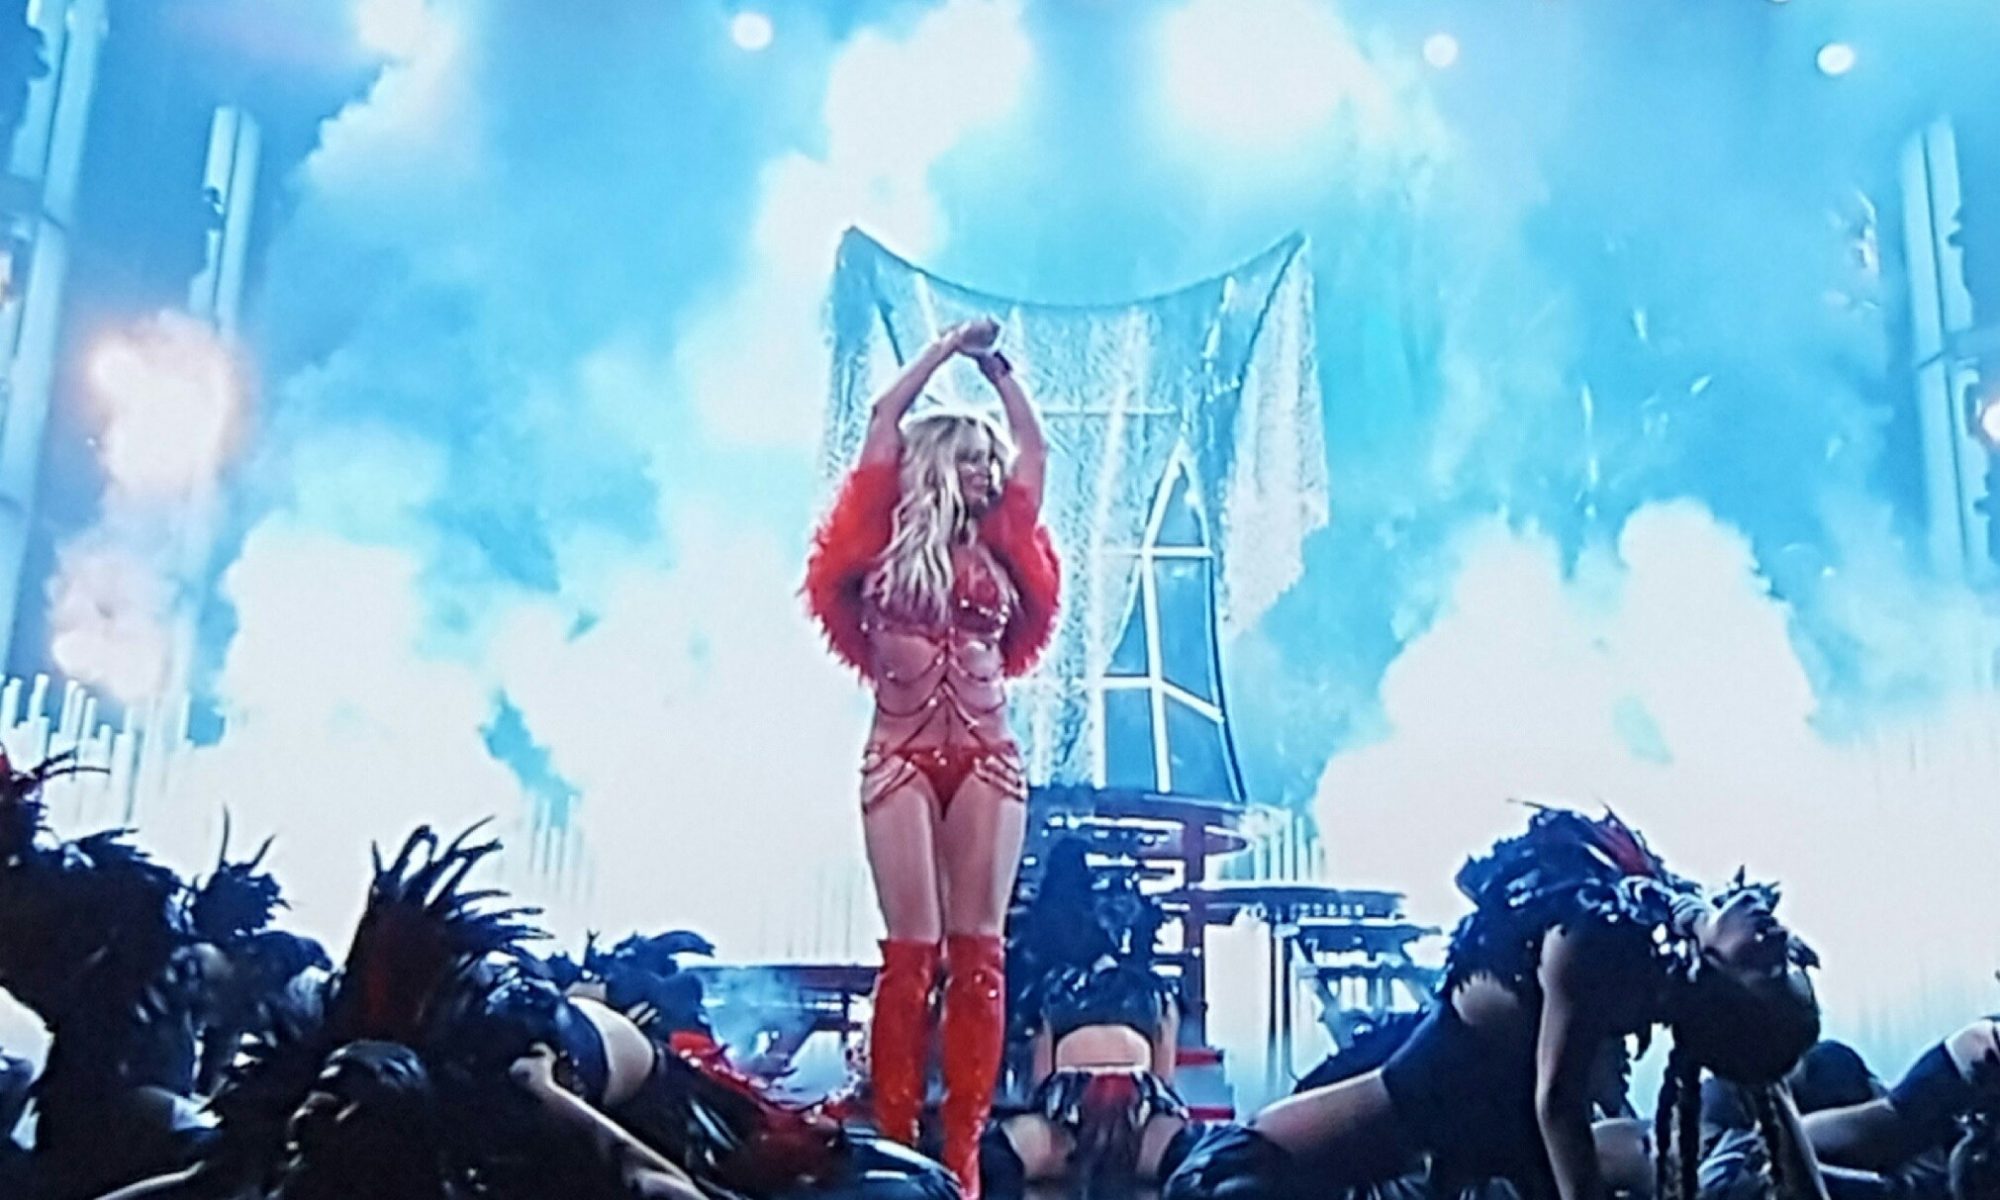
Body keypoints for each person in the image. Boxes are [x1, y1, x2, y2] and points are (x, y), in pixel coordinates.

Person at [1166, 808, 1828, 1200]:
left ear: (1722, 993)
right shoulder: (1652, 928)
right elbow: (1683, 905)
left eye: (1773, 969)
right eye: (1786, 951)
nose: (1777, 937)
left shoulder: (1601, 942)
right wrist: (1749, 946)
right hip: (1371, 1118)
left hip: (1351, 1143)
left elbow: (1558, 1104)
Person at [805, 316, 1060, 1198]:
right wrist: (948, 349)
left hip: (987, 756)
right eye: (974, 459)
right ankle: (897, 1141)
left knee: (979, 952)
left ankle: (963, 1160)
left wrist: (999, 370)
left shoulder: (1004, 540)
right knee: (911, 954)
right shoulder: (880, 532)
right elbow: (884, 414)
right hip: (900, 755)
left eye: (990, 461)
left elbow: (1035, 447)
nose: (989, 472)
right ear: (939, 463)